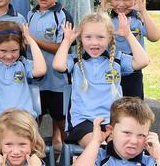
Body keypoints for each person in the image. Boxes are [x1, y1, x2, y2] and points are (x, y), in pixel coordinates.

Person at [52, 11, 150, 147]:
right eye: (88, 37)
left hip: (113, 121)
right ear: (80, 37)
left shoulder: (117, 60)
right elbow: (57, 65)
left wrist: (128, 35)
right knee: (98, 145)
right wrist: (67, 41)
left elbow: (143, 61)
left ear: (109, 38)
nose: (94, 43)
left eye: (100, 37)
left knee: (123, 146)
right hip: (83, 122)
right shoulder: (76, 61)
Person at [26, 0, 72, 151]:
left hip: (57, 83)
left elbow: (63, 47)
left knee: (62, 123)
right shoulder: (30, 15)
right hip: (35, 83)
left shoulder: (62, 16)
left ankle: (70, 160)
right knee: (33, 122)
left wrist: (33, 41)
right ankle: (36, 160)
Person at [0, 22, 46, 136]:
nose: (9, 56)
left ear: (21, 47)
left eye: (14, 51)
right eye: (3, 51)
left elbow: (40, 70)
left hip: (24, 120)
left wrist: (31, 41)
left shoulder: (22, 64)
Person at [100, 0, 160, 99]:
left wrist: (142, 10)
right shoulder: (105, 20)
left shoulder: (138, 19)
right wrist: (102, 8)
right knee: (110, 110)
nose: (121, 4)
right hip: (108, 72)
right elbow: (93, 36)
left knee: (134, 111)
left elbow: (155, 37)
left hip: (134, 71)